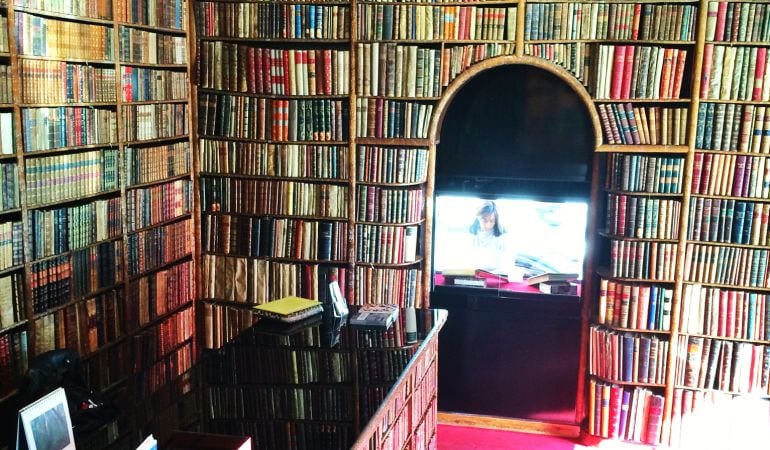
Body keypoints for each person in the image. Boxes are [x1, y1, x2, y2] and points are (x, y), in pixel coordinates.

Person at [467, 200, 517, 278]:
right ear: (478, 218)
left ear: (496, 220)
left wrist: (490, 275)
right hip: (475, 276)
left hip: (497, 277)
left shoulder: (503, 237)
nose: (488, 225)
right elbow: (467, 260)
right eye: (484, 221)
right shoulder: (472, 234)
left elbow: (507, 265)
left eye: (491, 221)